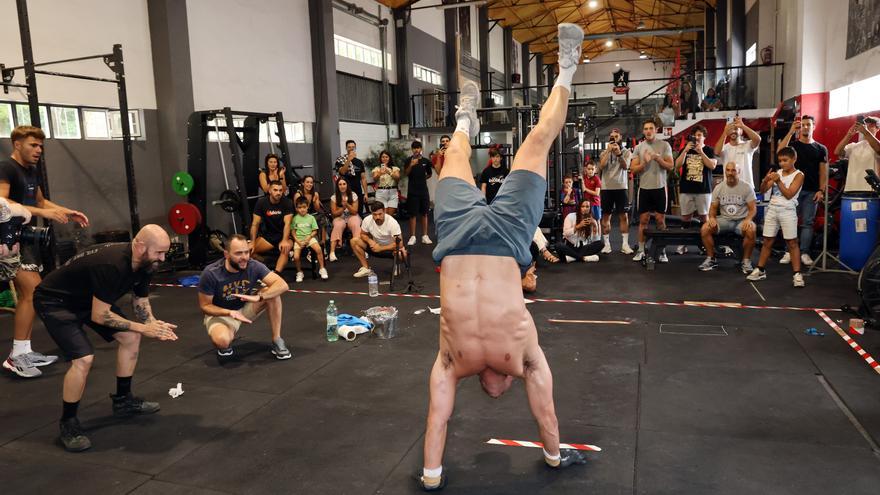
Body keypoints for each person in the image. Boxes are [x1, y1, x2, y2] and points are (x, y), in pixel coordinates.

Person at [420, 23, 588, 491]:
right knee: (537, 140)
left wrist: (433, 478)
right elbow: (546, 416)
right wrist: (554, 458)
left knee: (453, 154)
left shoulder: (451, 362)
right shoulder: (519, 358)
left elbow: (438, 422)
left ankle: (464, 118)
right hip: (509, 239)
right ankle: (567, 65)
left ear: (496, 381)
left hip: (456, 238)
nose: (503, 387)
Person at [32, 225, 177, 452]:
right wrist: (142, 327)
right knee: (84, 358)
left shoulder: (146, 263)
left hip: (87, 299)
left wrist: (152, 324)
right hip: (55, 301)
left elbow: (140, 300)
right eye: (159, 252)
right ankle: (68, 423)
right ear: (139, 247)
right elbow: (99, 316)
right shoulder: (112, 265)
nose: (163, 257)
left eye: (164, 252)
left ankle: (123, 401)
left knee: (131, 337)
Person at [0, 125, 90, 379]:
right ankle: (16, 358)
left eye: (41, 146)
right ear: (17, 144)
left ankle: (23, 351)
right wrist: (43, 214)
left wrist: (65, 211)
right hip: (7, 240)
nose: (39, 150)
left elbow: (38, 202)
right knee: (32, 292)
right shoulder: (6, 168)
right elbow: (3, 203)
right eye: (33, 145)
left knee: (33, 294)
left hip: (25, 239)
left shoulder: (31, 170)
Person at [198, 234, 291, 359]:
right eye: (238, 254)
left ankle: (277, 340)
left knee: (272, 293)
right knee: (223, 341)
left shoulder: (253, 265)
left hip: (245, 308)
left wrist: (260, 297)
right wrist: (229, 313)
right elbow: (205, 306)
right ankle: (228, 334)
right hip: (222, 314)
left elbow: (282, 285)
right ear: (226, 254)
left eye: (246, 252)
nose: (244, 258)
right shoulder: (211, 273)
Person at [747, 147, 806, 287]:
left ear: (794, 160)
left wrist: (778, 181)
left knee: (792, 242)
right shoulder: (777, 172)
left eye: (785, 160)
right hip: (772, 209)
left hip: (788, 210)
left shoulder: (799, 175)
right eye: (780, 161)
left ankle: (797, 274)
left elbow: (790, 194)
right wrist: (764, 180)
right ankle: (760, 270)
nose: (782, 164)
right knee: (767, 240)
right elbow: (762, 191)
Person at [778, 115, 827, 266]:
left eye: (808, 125)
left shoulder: (821, 149)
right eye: (803, 125)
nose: (806, 127)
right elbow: (780, 151)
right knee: (789, 221)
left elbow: (823, 171)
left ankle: (804, 252)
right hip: (793, 190)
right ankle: (788, 251)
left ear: (814, 126)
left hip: (812, 191)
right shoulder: (793, 147)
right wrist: (791, 131)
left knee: (807, 223)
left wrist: (821, 190)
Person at [699, 162, 757, 272]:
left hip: (741, 220)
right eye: (728, 170)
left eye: (733, 170)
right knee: (705, 228)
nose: (730, 173)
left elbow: (753, 209)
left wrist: (748, 219)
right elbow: (713, 208)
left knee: (751, 229)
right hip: (725, 220)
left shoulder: (746, 187)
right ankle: (711, 259)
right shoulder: (719, 188)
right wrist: (711, 218)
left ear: (739, 172)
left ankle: (746, 261)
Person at [631, 120, 674, 263]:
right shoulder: (639, 148)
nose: (648, 131)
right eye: (645, 129)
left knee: (660, 220)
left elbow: (670, 166)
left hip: (660, 188)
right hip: (644, 189)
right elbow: (633, 169)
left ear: (656, 130)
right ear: (643, 131)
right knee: (643, 220)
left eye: (651, 128)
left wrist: (658, 159)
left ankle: (662, 252)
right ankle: (641, 250)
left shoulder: (664, 145)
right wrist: (645, 162)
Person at [674, 125, 718, 255]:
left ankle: (705, 244)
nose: (697, 138)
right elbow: (677, 166)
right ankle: (683, 244)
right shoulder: (686, 149)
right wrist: (685, 151)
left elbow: (712, 165)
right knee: (686, 217)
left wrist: (701, 152)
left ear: (704, 137)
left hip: (703, 189)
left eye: (700, 135)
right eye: (695, 135)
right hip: (686, 188)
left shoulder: (709, 150)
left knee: (704, 217)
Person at [350, 201, 408, 278]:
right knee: (354, 241)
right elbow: (362, 234)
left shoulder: (392, 222)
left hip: (391, 249)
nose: (377, 217)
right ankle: (366, 268)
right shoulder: (367, 220)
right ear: (371, 213)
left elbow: (399, 244)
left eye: (380, 214)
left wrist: (380, 248)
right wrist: (370, 241)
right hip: (375, 247)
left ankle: (397, 265)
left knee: (403, 254)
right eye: (375, 214)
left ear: (384, 211)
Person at [598, 128, 633, 254]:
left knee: (623, 216)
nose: (613, 138)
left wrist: (618, 154)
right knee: (606, 216)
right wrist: (608, 151)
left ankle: (625, 244)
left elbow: (625, 167)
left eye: (616, 136)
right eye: (611, 136)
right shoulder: (604, 152)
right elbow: (601, 167)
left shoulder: (627, 152)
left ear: (620, 137)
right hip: (607, 188)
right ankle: (607, 245)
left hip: (621, 187)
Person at [249, 180, 294, 274]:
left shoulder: (287, 202)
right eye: (275, 190)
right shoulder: (261, 203)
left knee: (285, 248)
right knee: (247, 252)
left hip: (285, 235)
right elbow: (255, 224)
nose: (278, 193)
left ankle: (276, 274)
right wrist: (252, 242)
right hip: (270, 235)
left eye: (280, 190)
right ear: (269, 190)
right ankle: (265, 266)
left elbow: (288, 223)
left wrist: (285, 240)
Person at [834, 116, 880, 194]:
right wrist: (849, 135)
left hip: (870, 190)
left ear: (877, 128)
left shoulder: (877, 145)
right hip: (851, 189)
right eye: (866, 124)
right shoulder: (853, 146)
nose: (868, 127)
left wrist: (865, 132)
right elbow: (837, 152)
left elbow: (878, 150)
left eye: (871, 125)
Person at [713, 116, 761, 188]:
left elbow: (758, 139)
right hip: (729, 186)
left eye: (736, 129)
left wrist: (743, 126)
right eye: (730, 129)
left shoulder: (747, 145)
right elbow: (716, 152)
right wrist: (725, 132)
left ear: (741, 131)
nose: (733, 131)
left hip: (747, 186)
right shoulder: (724, 147)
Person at [290, 198, 328, 282]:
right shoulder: (295, 218)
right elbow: (293, 232)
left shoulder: (311, 218)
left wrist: (309, 238)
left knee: (318, 249)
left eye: (304, 207)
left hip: (309, 238)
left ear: (307, 207)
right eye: (299, 207)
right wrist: (297, 241)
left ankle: (322, 268)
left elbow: (314, 231)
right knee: (296, 256)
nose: (302, 209)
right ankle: (299, 272)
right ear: (296, 208)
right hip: (299, 239)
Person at [405, 140, 434, 246]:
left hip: (423, 191)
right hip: (412, 191)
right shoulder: (408, 160)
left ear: (421, 149)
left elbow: (430, 174)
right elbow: (406, 173)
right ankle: (412, 236)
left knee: (425, 213)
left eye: (418, 148)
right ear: (412, 149)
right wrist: (411, 165)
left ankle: (425, 236)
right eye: (414, 148)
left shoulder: (426, 161)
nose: (416, 150)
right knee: (412, 214)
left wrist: (422, 179)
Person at [328, 177, 362, 262]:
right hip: (339, 217)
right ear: (337, 186)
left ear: (347, 185)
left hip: (352, 216)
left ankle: (360, 249)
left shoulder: (353, 195)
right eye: (340, 184)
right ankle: (332, 252)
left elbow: (354, 211)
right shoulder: (334, 197)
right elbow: (334, 213)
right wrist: (343, 208)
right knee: (338, 225)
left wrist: (347, 204)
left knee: (355, 223)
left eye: (344, 184)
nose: (342, 186)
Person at [293, 175, 329, 247]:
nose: (309, 184)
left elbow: (317, 209)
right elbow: (296, 209)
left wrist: (315, 201)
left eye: (311, 183)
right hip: (302, 215)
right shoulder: (298, 194)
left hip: (313, 214)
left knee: (322, 218)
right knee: (314, 220)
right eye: (307, 182)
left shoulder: (315, 194)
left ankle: (323, 243)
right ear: (303, 183)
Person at [335, 140, 367, 214]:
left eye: (353, 147)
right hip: (345, 191)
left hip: (358, 190)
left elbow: (363, 178)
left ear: (355, 148)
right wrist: (349, 159)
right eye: (349, 147)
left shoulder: (359, 162)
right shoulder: (340, 160)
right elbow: (342, 172)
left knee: (359, 211)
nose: (351, 149)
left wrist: (365, 193)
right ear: (346, 148)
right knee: (346, 212)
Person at [372, 151, 401, 217]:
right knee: (383, 215)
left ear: (389, 158)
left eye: (386, 157)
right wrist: (380, 173)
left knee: (390, 216)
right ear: (380, 158)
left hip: (392, 192)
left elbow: (398, 178)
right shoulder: (377, 168)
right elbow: (374, 179)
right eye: (383, 157)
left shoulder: (394, 168)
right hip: (381, 193)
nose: (384, 159)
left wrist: (389, 172)